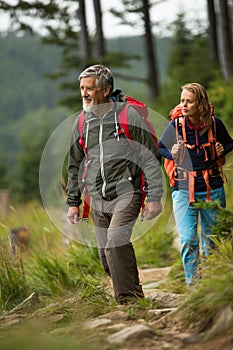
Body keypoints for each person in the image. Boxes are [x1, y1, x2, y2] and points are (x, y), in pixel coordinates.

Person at [66, 64, 163, 304]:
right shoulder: (81, 122)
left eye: (90, 88)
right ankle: (134, 292)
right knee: (105, 254)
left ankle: (128, 302)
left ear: (106, 89)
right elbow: (75, 164)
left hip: (127, 193)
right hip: (97, 198)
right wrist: (73, 202)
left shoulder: (127, 115)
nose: (84, 93)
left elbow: (150, 157)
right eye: (81, 88)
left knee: (115, 243)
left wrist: (153, 197)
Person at [159, 83, 233, 287]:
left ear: (200, 103)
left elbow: (229, 143)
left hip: (213, 188)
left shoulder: (215, 124)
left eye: (188, 101)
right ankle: (194, 288)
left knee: (213, 240)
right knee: (188, 240)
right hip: (183, 190)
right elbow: (161, 148)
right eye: (182, 100)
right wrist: (172, 152)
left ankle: (213, 285)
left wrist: (221, 150)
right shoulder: (175, 126)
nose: (183, 105)